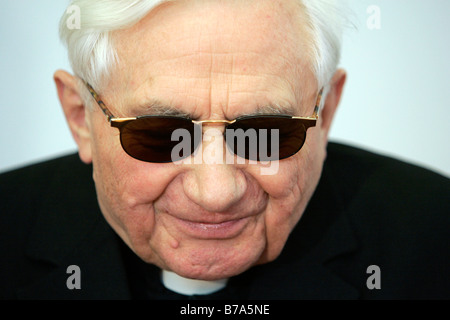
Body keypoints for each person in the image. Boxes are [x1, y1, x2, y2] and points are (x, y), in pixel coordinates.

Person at [1, 0, 449, 300]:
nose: (216, 193)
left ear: (325, 111)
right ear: (81, 117)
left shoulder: (434, 236)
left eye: (266, 131)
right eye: (161, 133)